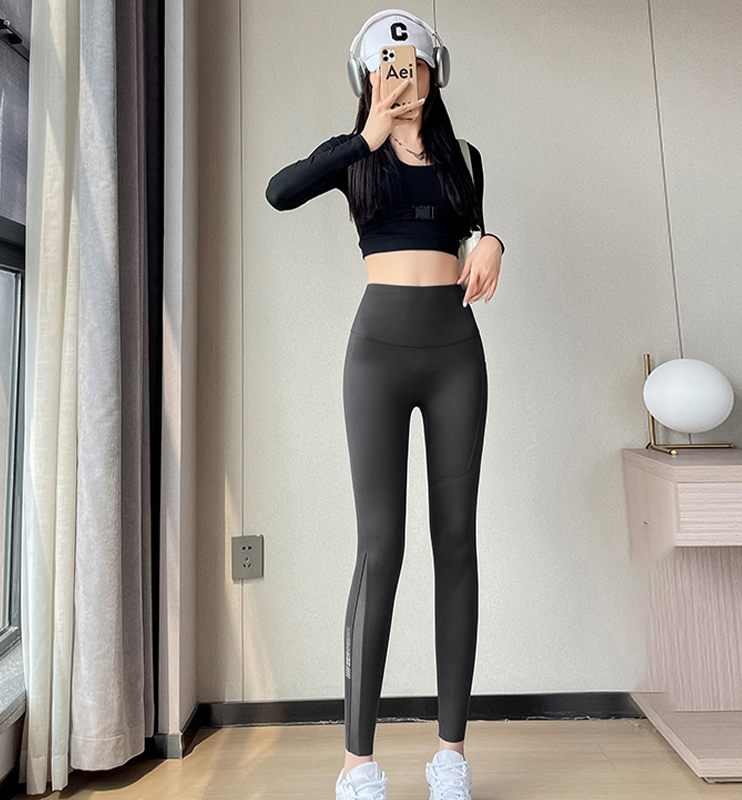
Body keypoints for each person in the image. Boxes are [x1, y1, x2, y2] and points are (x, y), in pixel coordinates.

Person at [265, 9, 504, 800]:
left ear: (436, 72)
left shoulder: (464, 159)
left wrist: (493, 240)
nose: (402, 77)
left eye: (413, 65)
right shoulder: (355, 160)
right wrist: (365, 135)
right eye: (386, 67)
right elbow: (279, 192)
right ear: (367, 79)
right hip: (377, 357)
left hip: (455, 354)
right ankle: (356, 764)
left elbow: (473, 229)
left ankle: (450, 755)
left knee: (457, 541)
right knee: (381, 547)